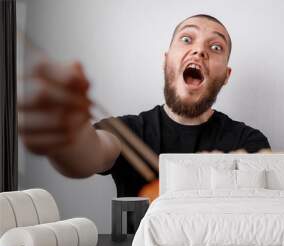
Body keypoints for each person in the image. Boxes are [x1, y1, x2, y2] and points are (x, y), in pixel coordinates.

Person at [18, 14, 271, 197]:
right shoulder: (127, 131)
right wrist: (67, 135)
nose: (199, 51)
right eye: (186, 39)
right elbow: (89, 151)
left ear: (226, 75)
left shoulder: (249, 143)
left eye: (215, 47)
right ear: (166, 60)